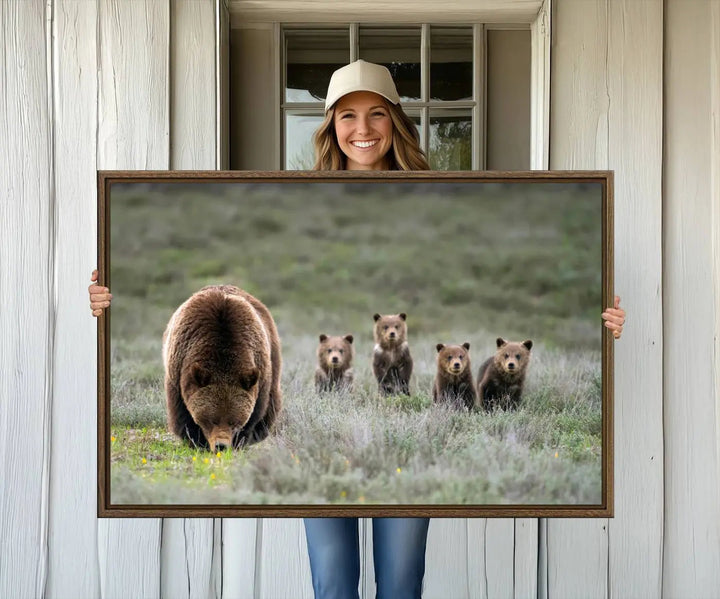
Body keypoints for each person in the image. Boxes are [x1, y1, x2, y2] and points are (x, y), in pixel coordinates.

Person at [88, 60, 626, 599]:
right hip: (326, 429)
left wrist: (603, 323)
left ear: (395, 121)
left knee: (400, 581)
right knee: (333, 581)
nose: (362, 130)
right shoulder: (297, 200)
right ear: (330, 126)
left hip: (404, 437)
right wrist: (105, 298)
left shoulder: (441, 198)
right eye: (347, 116)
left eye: (376, 115)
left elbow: (507, 255)